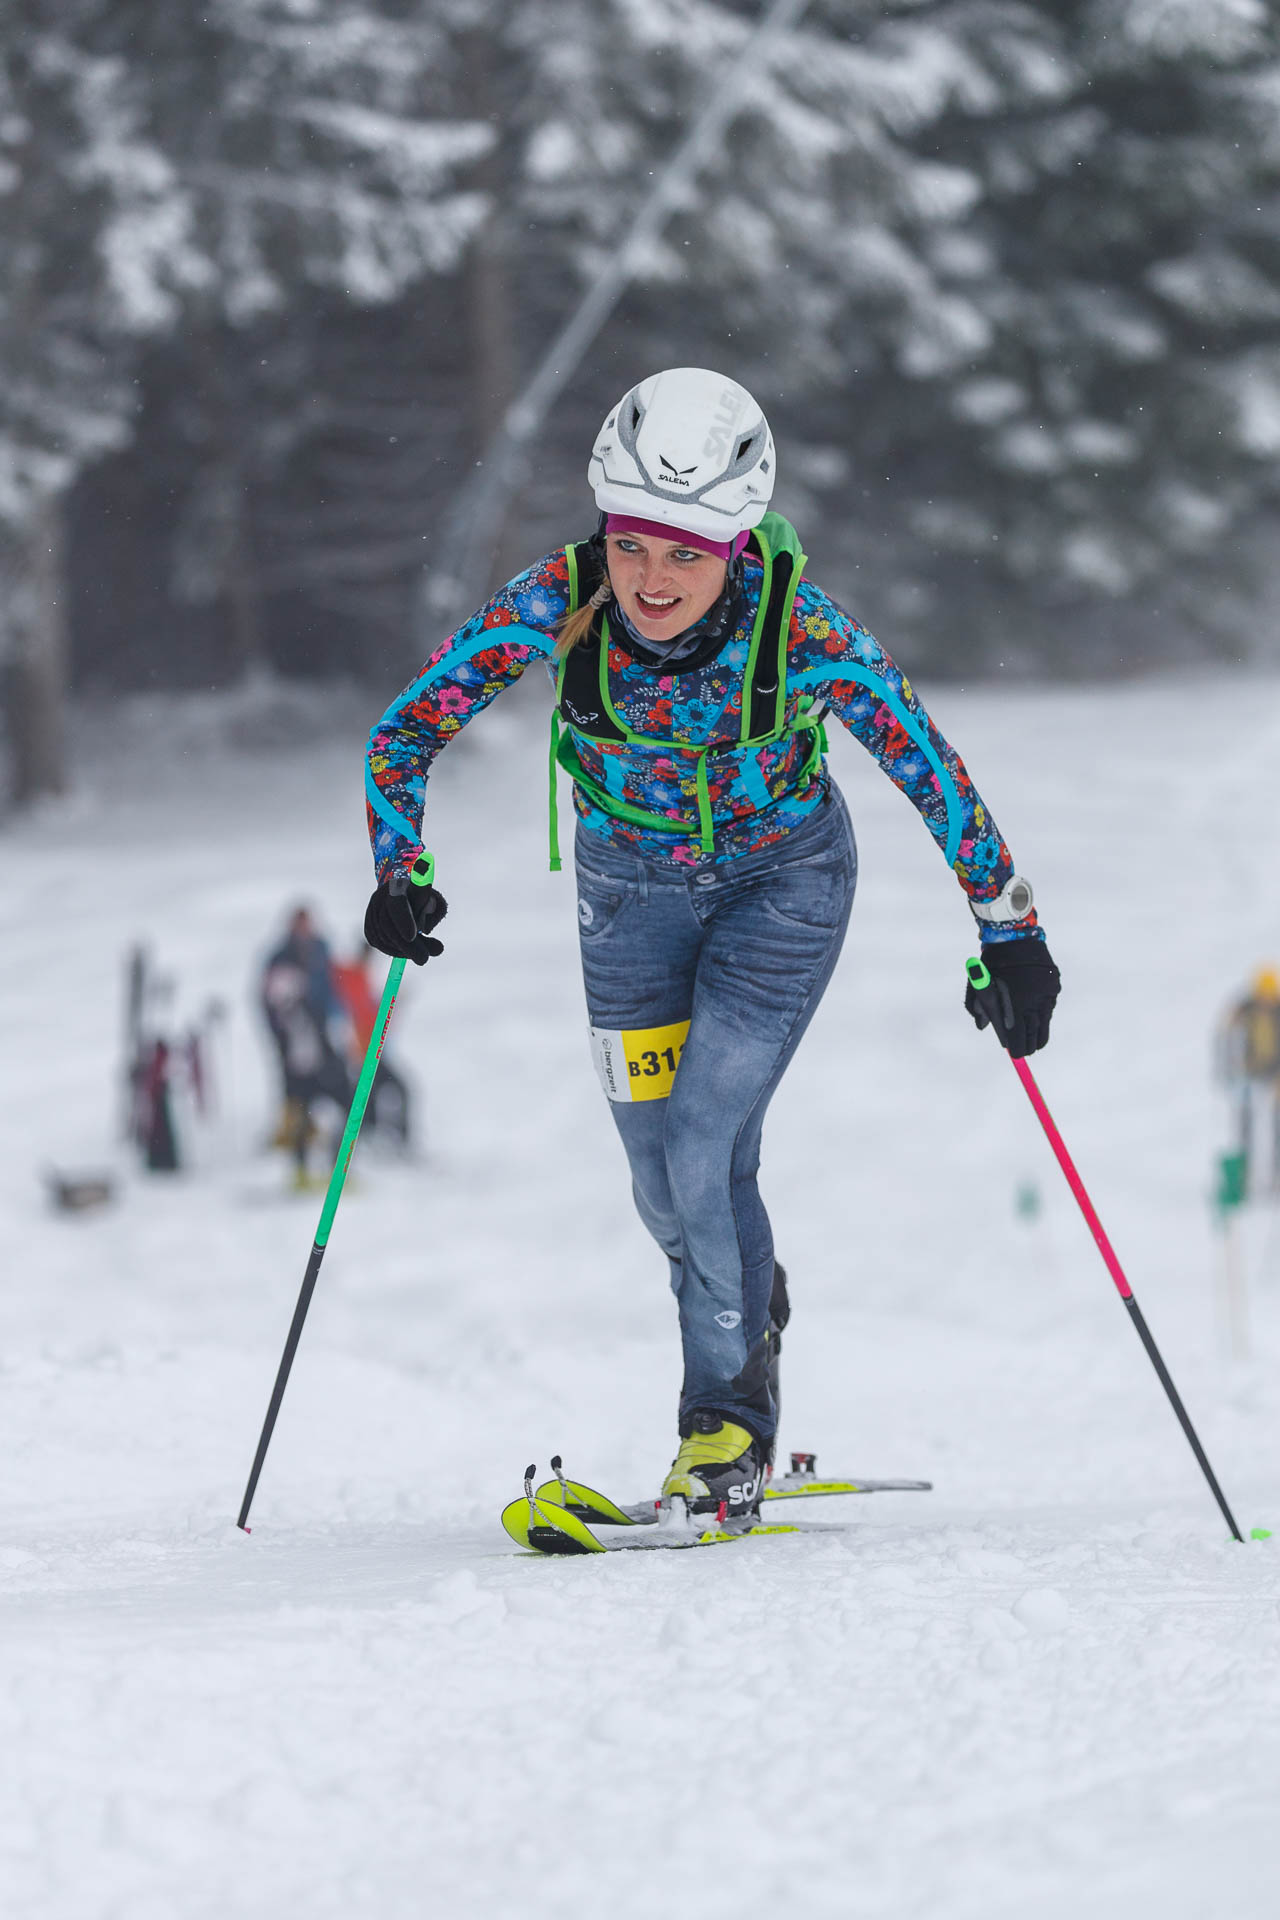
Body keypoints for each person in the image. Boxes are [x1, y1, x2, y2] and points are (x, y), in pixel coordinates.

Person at [362, 367, 1061, 1525]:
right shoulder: (557, 603)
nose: (651, 578)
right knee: (659, 1174)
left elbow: (926, 769)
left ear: (735, 543)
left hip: (779, 891)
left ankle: (721, 1425)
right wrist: (399, 873)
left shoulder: (801, 630)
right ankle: (749, 1304)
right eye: (633, 544)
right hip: (625, 896)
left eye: (685, 553)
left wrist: (1010, 928)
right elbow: (404, 732)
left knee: (702, 1138)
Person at [260, 906, 353, 1189]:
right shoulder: (281, 958)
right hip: (295, 1050)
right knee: (300, 1110)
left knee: (345, 1102)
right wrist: (282, 1039)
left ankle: (339, 1168)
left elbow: (334, 990)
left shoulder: (320, 951)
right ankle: (300, 1171)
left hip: (323, 1041)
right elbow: (270, 1004)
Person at [332, 941, 414, 1150]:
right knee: (376, 1095)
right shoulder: (351, 978)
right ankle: (377, 1140)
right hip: (362, 1054)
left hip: (371, 1051)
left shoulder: (360, 977)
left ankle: (386, 1139)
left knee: (380, 1094)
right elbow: (362, 1016)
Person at [1217, 966, 1280, 1194]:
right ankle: (1243, 1177)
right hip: (1250, 1075)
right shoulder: (1245, 1009)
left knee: (1275, 1128)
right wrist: (1230, 1070)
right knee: (1245, 1126)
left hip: (1274, 1076)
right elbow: (1226, 1034)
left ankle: (1274, 1177)